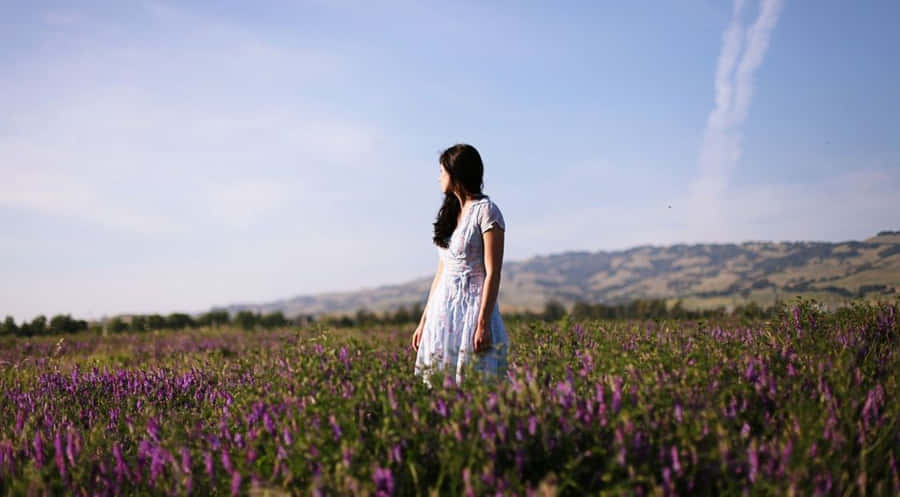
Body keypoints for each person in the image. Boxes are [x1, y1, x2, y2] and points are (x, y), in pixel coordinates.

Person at [411, 143, 509, 386]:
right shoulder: (451, 214)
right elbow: (440, 275)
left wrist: (483, 323)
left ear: (456, 174)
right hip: (443, 312)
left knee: (476, 385)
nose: (439, 178)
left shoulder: (487, 212)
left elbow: (493, 272)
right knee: (441, 387)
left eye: (442, 172)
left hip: (472, 311)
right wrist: (424, 321)